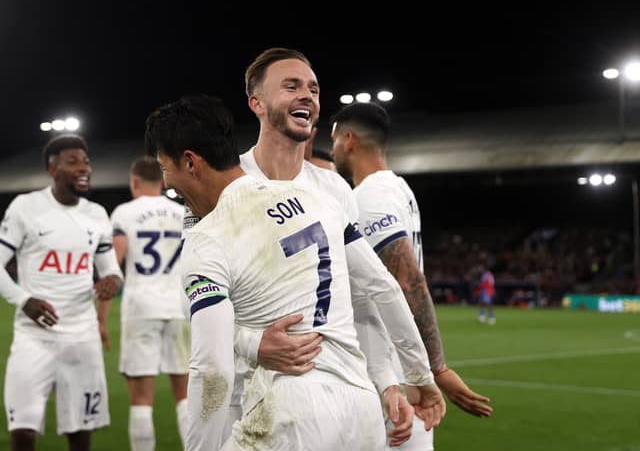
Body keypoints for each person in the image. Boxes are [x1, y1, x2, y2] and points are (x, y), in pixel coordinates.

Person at [144, 94, 395, 450]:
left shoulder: (208, 237)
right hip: (361, 406)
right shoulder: (318, 198)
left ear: (189, 162)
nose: (167, 184)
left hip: (290, 410)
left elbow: (212, 369)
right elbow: (383, 286)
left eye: (164, 168)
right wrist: (418, 374)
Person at [234, 47, 445, 438]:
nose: (307, 96)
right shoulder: (229, 185)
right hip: (269, 397)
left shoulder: (333, 189)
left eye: (313, 89)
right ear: (256, 103)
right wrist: (251, 344)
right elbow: (197, 298)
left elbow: (369, 292)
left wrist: (393, 378)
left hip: (351, 401)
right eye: (291, 86)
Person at [330, 102, 494, 449]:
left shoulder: (369, 196)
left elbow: (409, 281)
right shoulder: (400, 189)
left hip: (393, 377)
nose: (332, 152)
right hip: (398, 372)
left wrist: (437, 368)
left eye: (333, 141)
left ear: (348, 139)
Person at [0, 134, 122, 451]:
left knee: (80, 433)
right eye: (73, 162)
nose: (83, 168)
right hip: (34, 336)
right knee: (23, 428)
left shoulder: (97, 214)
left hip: (82, 337)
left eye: (86, 161)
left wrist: (113, 280)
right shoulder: (26, 208)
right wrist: (23, 300)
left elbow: (111, 268)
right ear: (52, 169)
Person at [98, 156, 189, 451]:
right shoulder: (182, 212)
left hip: (141, 307)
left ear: (134, 181)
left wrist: (101, 317)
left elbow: (113, 267)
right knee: (185, 395)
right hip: (180, 307)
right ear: (162, 182)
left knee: (140, 399)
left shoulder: (124, 213)